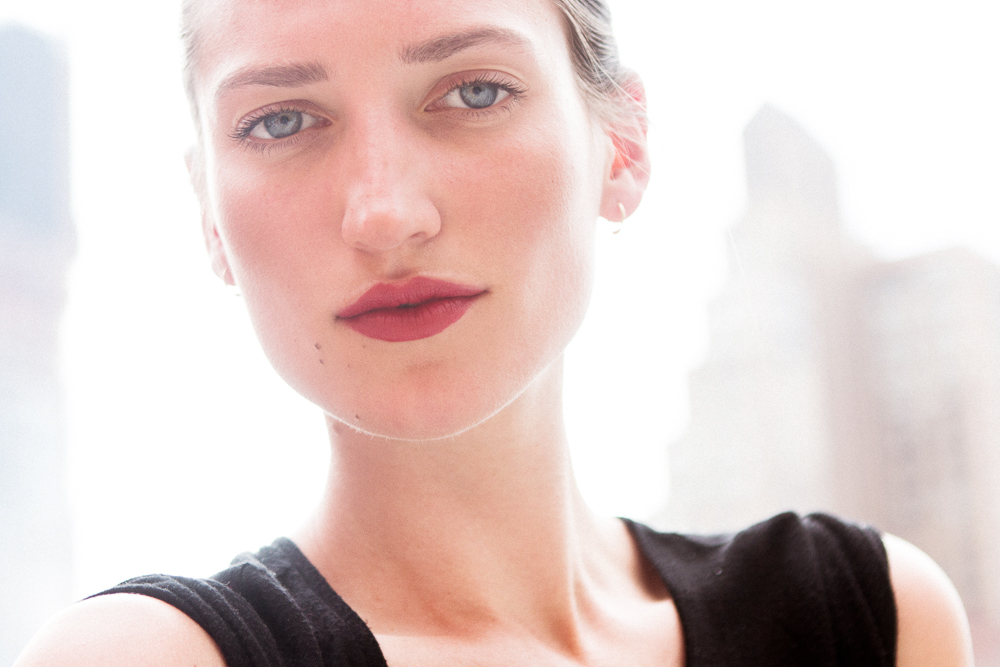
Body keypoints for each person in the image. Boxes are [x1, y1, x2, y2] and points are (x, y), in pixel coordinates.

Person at [16, 0, 974, 665]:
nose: (386, 215)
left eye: (474, 92)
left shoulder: (867, 618)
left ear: (622, 145)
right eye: (281, 121)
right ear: (210, 216)